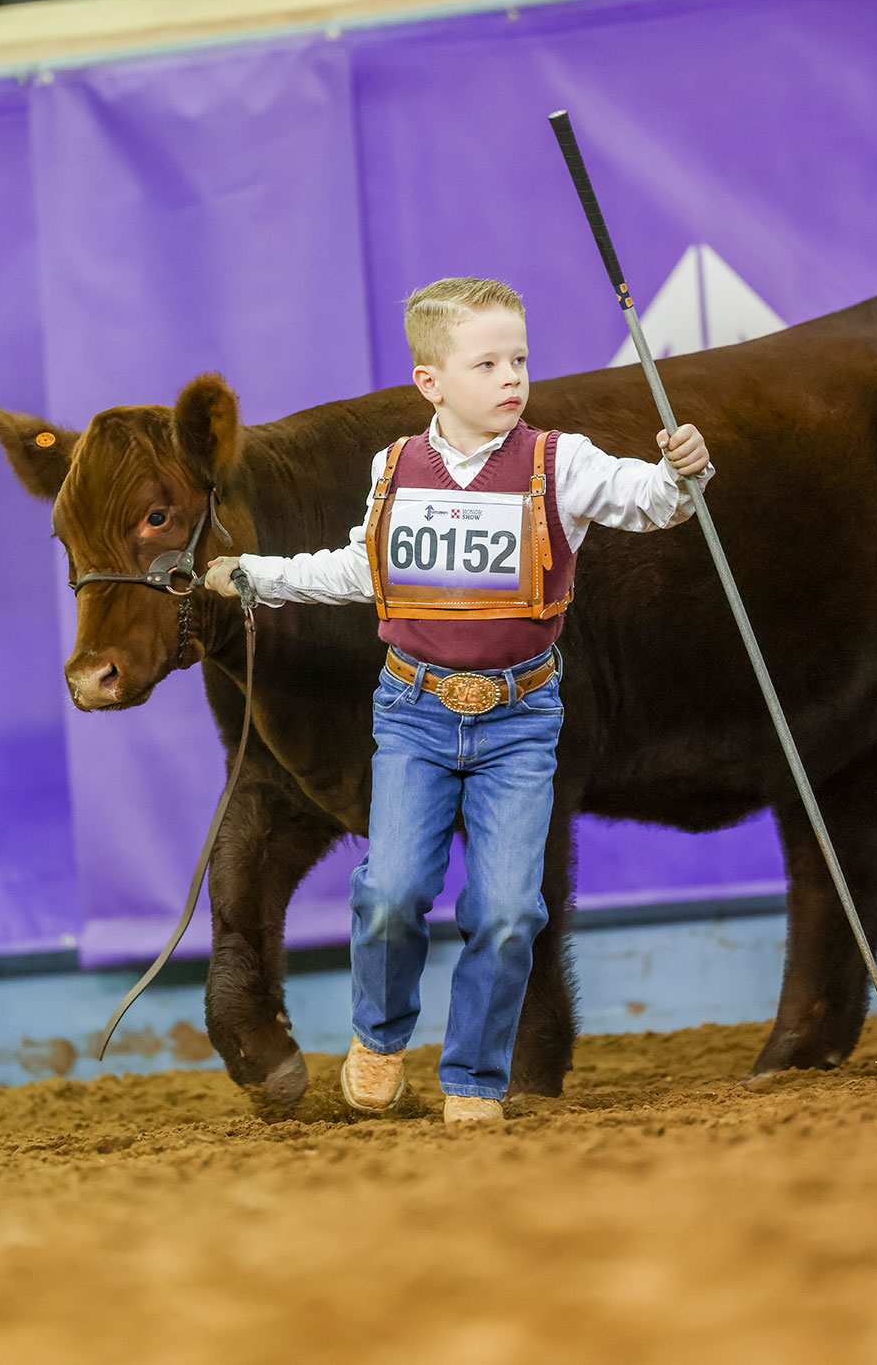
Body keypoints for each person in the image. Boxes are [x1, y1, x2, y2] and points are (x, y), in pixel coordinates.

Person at [206, 277, 712, 1124]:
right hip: (414, 712)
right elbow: (366, 571)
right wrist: (258, 577)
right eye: (486, 364)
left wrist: (681, 471)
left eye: (518, 359)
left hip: (521, 719)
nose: (511, 377)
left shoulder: (562, 462)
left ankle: (473, 1078)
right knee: (390, 890)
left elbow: (652, 502)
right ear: (431, 382)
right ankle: (379, 1035)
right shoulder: (396, 467)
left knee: (510, 911)